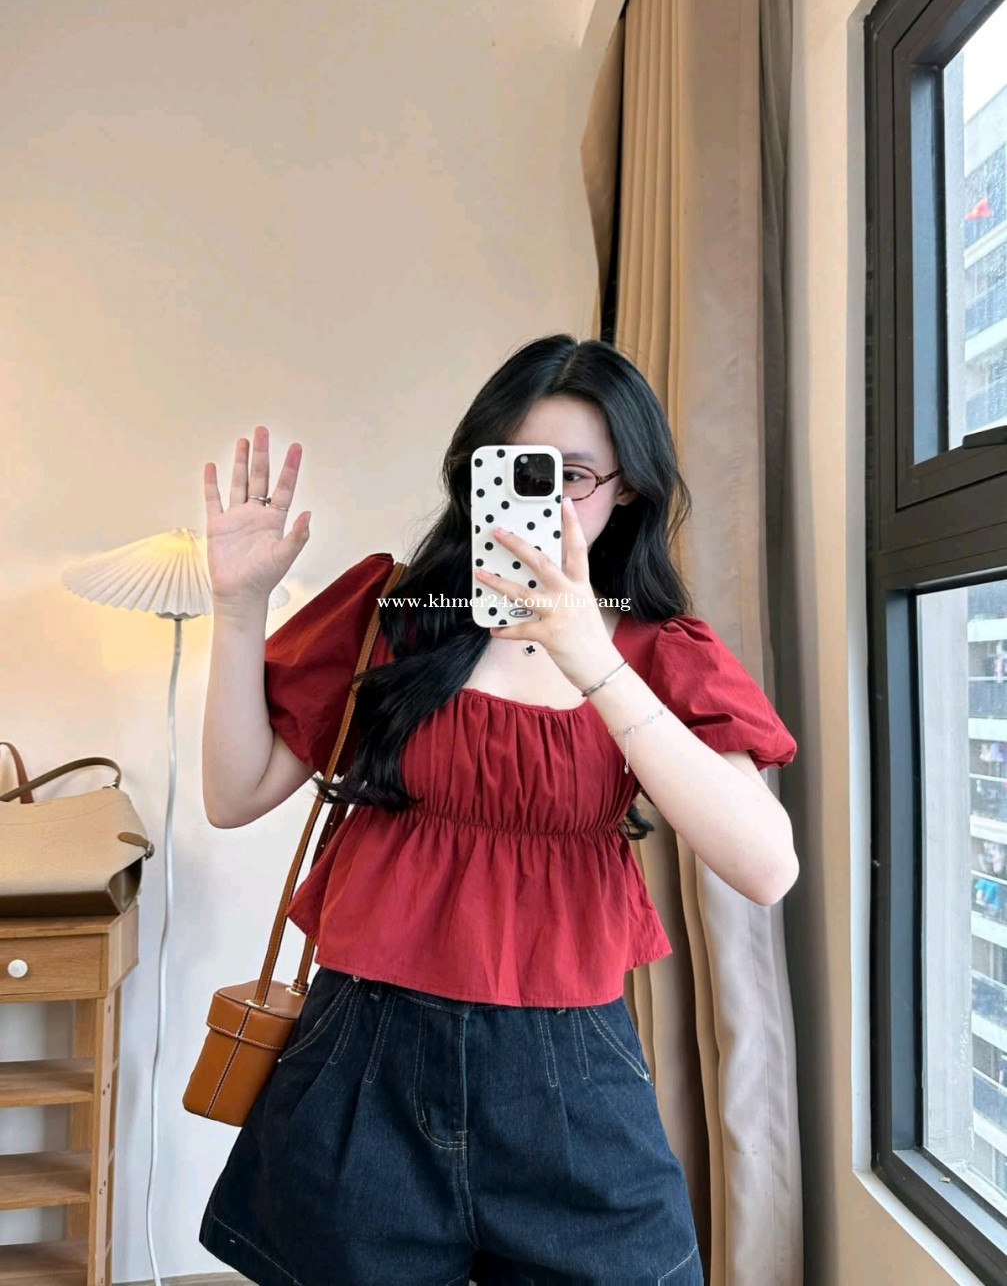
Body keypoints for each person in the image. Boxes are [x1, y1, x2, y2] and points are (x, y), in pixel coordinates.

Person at [196, 334, 799, 1286]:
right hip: (362, 1054)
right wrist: (238, 612)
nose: (539, 498)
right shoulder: (388, 612)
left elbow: (765, 867)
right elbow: (233, 796)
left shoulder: (659, 651)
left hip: (568, 1072)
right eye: (512, 467)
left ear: (627, 489)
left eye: (572, 476)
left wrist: (589, 654)